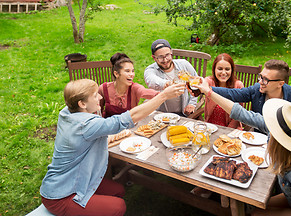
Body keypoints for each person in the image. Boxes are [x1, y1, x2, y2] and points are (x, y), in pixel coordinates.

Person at [192, 82, 291, 215]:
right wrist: (209, 92)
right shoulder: (283, 131)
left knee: (257, 213)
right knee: (253, 206)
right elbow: (241, 113)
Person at [40, 79, 185, 216]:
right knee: (118, 206)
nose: (100, 98)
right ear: (82, 104)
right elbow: (129, 117)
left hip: (78, 179)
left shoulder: (67, 113)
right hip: (60, 195)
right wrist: (164, 95)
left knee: (118, 190)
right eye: (95, 95)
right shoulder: (86, 125)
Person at [209, 59, 291, 140]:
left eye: (265, 80)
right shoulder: (257, 90)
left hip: (286, 145)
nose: (260, 82)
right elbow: (233, 94)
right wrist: (207, 88)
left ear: (280, 83)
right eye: (260, 76)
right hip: (259, 140)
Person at [144, 39, 198, 116]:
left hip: (183, 113)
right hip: (161, 114)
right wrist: (166, 83)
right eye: (160, 57)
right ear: (154, 58)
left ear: (171, 53)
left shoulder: (184, 64)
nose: (165, 60)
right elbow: (151, 80)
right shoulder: (150, 70)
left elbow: (196, 84)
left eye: (167, 55)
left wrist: (192, 104)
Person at [98, 53, 159, 118]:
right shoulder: (103, 88)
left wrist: (165, 93)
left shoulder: (134, 88)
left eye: (132, 71)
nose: (132, 74)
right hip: (108, 126)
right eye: (127, 71)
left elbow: (146, 92)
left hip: (129, 127)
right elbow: (98, 112)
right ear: (116, 74)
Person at [204, 53, 244, 129]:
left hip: (231, 129)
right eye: (220, 69)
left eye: (227, 69)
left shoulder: (238, 85)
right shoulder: (209, 82)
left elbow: (238, 114)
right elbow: (201, 84)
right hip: (210, 127)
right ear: (214, 69)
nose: (223, 73)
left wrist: (226, 131)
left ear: (232, 70)